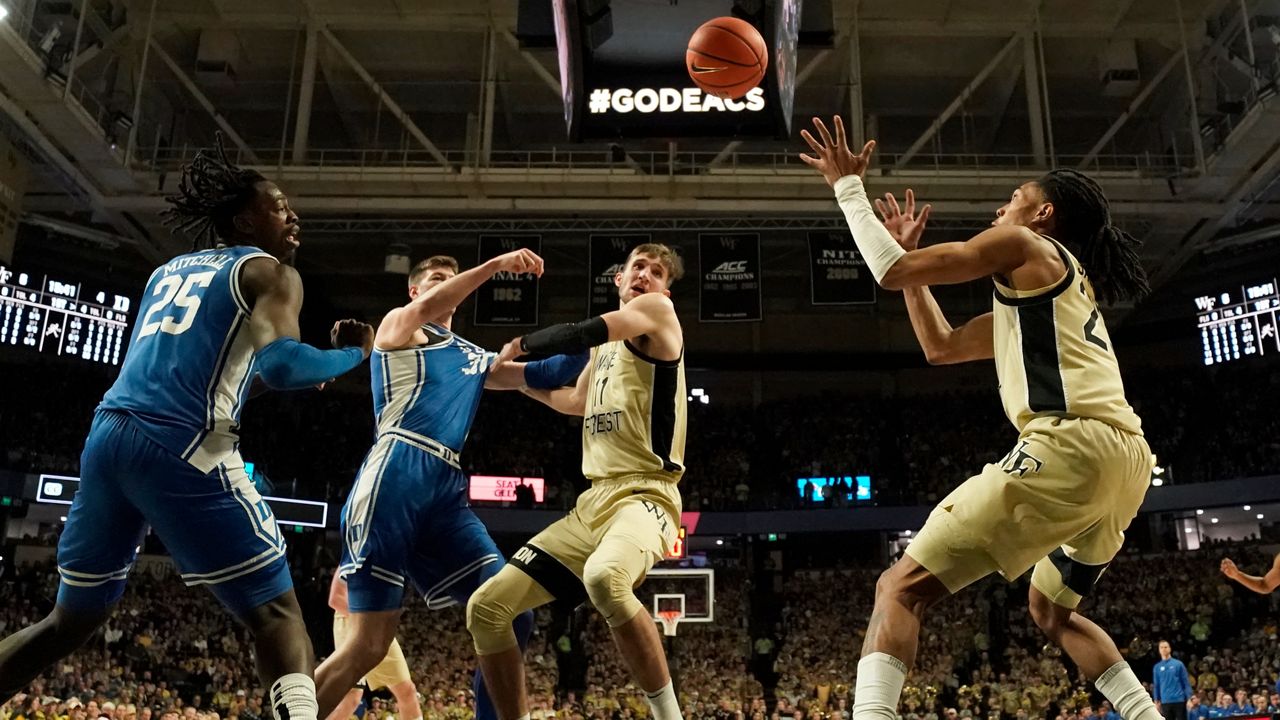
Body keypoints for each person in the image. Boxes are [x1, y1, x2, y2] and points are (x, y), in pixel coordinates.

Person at [0, 137, 375, 720]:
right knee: (276, 615)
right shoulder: (271, 271)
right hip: (182, 442)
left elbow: (192, 367)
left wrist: (284, 372)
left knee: (68, 620)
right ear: (246, 219)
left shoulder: (166, 271)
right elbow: (281, 366)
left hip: (108, 436)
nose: (292, 215)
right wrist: (353, 354)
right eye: (279, 206)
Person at [797, 116, 1156, 720]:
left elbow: (887, 272)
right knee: (1051, 611)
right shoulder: (1057, 293)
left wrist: (846, 187)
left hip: (1067, 446)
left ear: (1043, 215)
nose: (1001, 206)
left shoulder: (1025, 246)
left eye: (1016, 198)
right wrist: (910, 262)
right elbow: (941, 346)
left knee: (899, 589)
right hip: (1127, 464)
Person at [313, 252, 586, 720]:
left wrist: (600, 333)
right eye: (439, 279)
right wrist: (494, 265)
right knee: (368, 647)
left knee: (512, 613)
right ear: (416, 290)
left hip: (445, 489)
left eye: (452, 279)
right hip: (396, 471)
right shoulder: (398, 326)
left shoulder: (474, 358)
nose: (450, 285)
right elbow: (427, 308)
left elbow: (548, 374)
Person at [466, 242, 688, 720]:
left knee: (605, 578)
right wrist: (487, 375)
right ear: (618, 278)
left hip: (645, 494)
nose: (646, 276)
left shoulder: (657, 312)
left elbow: (581, 329)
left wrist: (522, 344)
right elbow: (573, 401)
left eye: (656, 272)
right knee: (486, 608)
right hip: (593, 503)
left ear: (666, 288)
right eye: (638, 268)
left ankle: (670, 716)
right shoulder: (605, 348)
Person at [324, 572, 421, 720]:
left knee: (407, 691)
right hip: (351, 622)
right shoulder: (356, 554)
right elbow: (336, 599)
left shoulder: (395, 560)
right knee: (351, 699)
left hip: (377, 625)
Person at [1153, 641, 1192, 720]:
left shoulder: (1178, 664)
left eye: (1165, 647)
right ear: (1159, 650)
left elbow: (1186, 683)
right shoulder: (1157, 667)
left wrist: (1189, 698)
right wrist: (1156, 700)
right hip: (1165, 701)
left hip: (1179, 700)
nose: (1163, 649)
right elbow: (1156, 685)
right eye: (1161, 647)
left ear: (1170, 649)